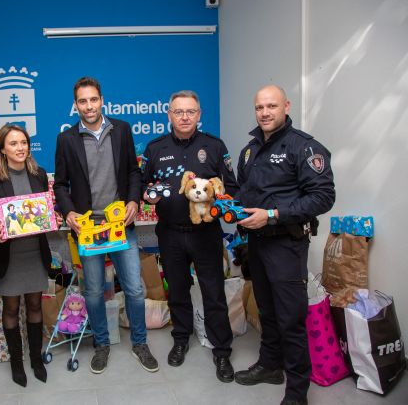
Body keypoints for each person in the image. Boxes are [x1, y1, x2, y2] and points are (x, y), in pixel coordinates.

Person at [234, 85, 335, 405]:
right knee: (267, 310)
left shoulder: (304, 147)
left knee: (291, 317)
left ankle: (297, 393)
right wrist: (232, 208)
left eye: (271, 106)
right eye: (259, 107)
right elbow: (245, 193)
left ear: (286, 106)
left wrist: (273, 215)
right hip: (257, 244)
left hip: (287, 245)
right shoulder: (250, 150)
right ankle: (270, 365)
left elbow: (323, 197)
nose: (264, 112)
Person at [54, 76, 159, 374]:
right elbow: (61, 184)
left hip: (120, 224)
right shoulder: (66, 139)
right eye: (82, 101)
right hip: (88, 229)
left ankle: (140, 343)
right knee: (94, 290)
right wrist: (69, 213)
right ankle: (101, 344)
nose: (89, 106)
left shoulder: (121, 129)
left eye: (93, 99)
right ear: (75, 105)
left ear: (102, 100)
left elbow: (133, 172)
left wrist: (134, 201)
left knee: (134, 289)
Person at [141, 90, 237, 382]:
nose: (184, 117)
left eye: (190, 111)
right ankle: (180, 339)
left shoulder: (215, 146)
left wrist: (217, 207)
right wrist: (147, 196)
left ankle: (222, 351)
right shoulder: (155, 148)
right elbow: (143, 186)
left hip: (206, 234)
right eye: (178, 111)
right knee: (178, 291)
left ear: (199, 114)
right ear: (168, 114)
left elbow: (231, 188)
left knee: (214, 293)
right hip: (170, 234)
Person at [0, 123, 52, 387]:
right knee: (11, 308)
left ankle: (35, 359)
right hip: (8, 254)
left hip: (35, 251)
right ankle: (16, 362)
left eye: (23, 142)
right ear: (2, 149)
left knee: (35, 306)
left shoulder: (39, 173)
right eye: (13, 143)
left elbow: (43, 210)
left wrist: (49, 216)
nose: (20, 148)